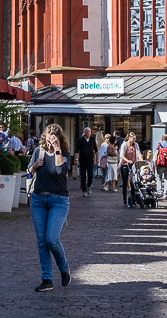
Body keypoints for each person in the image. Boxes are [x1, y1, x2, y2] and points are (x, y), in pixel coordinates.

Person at [28, 123, 71, 292]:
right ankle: (47, 279)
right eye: (49, 136)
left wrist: (58, 149)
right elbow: (29, 171)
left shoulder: (64, 153)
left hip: (58, 200)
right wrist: (35, 166)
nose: (51, 139)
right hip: (38, 199)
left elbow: (61, 170)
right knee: (41, 241)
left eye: (55, 137)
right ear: (45, 136)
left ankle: (64, 267)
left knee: (51, 239)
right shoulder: (38, 151)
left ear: (59, 138)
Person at [119, 133, 140, 208]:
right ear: (128, 138)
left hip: (133, 164)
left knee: (133, 182)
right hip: (125, 164)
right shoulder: (124, 145)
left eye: (135, 138)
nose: (134, 140)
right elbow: (121, 155)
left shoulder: (136, 145)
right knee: (125, 183)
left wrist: (141, 161)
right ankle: (124, 200)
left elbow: (138, 153)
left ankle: (133, 199)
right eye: (133, 138)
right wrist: (127, 161)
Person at [76, 127, 97, 198]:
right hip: (82, 160)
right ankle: (84, 190)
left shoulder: (92, 140)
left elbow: (96, 150)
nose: (88, 133)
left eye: (89, 131)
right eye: (87, 131)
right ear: (84, 132)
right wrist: (76, 160)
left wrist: (96, 159)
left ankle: (89, 186)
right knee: (83, 176)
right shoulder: (80, 140)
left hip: (90, 160)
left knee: (90, 175)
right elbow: (77, 150)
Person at [154, 133, 167, 199]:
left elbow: (155, 155)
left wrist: (155, 164)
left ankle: (159, 192)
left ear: (162, 139)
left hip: (160, 164)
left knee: (159, 178)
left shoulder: (159, 145)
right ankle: (165, 194)